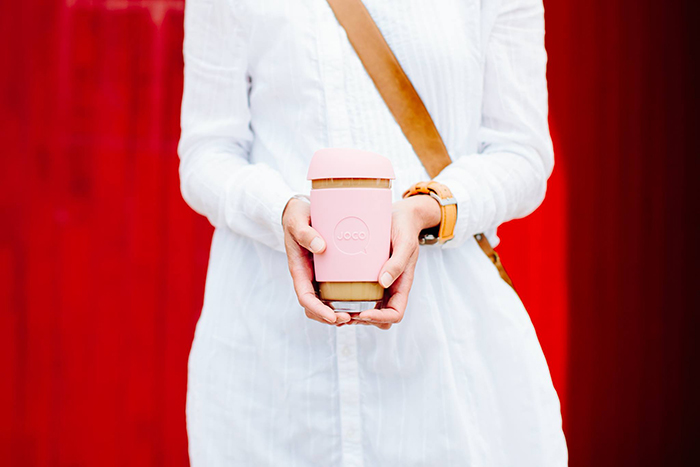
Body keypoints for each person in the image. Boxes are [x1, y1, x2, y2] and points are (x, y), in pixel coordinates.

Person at [177, 0, 568, 465]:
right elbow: (207, 152)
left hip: (446, 354)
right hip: (269, 356)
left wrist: (429, 208)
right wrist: (278, 210)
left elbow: (521, 153)